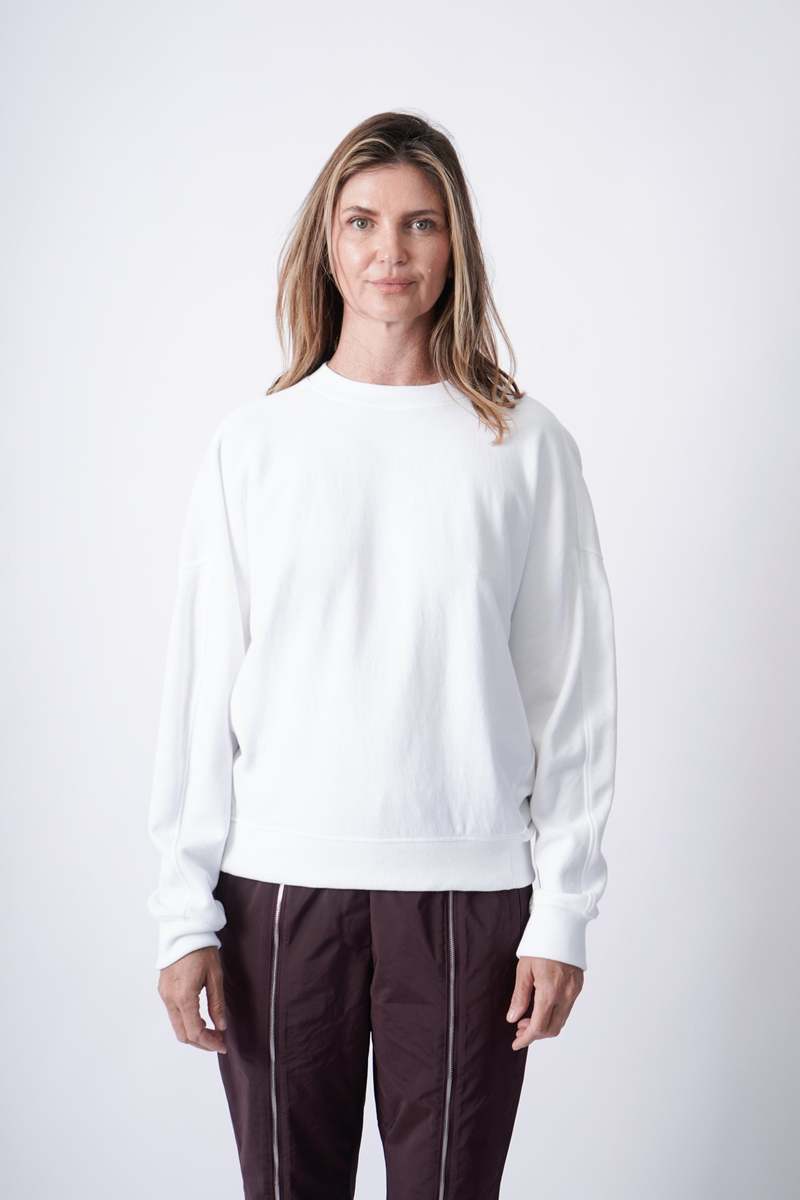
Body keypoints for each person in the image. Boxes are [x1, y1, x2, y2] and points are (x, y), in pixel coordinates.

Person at [147, 110, 618, 1200]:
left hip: (465, 894)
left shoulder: (524, 445)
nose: (389, 251)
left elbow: (571, 699)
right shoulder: (254, 446)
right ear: (327, 241)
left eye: (420, 223)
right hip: (278, 893)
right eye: (361, 221)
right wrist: (182, 915)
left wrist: (562, 912)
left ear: (455, 245)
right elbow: (199, 690)